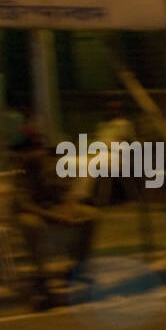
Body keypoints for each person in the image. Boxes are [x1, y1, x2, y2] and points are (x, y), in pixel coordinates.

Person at [10, 133, 99, 311]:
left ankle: (78, 266)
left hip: (53, 209)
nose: (37, 154)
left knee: (92, 215)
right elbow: (25, 205)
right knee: (30, 224)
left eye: (38, 149)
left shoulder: (50, 166)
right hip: (35, 212)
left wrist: (69, 211)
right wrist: (56, 218)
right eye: (32, 150)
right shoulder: (20, 172)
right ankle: (42, 277)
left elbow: (66, 193)